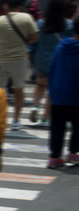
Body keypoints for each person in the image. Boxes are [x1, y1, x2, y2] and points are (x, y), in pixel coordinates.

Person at [0, 0, 38, 131]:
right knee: (19, 90)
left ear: (7, 7)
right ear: (21, 7)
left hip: (0, 61)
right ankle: (16, 120)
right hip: (19, 60)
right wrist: (24, 41)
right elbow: (35, 37)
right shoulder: (27, 18)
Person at [31, 0, 73, 128]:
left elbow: (35, 43)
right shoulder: (69, 25)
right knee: (51, 90)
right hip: (58, 61)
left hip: (41, 59)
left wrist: (32, 57)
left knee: (40, 84)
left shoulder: (40, 23)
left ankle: (35, 106)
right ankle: (45, 118)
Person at [46, 18, 79, 168]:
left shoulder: (61, 45)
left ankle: (54, 157)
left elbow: (52, 67)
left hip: (58, 94)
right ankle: (73, 151)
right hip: (75, 96)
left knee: (57, 128)